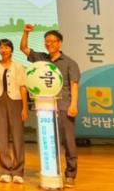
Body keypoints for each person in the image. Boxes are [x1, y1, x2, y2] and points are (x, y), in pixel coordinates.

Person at [21, 23, 80, 188]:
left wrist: (74, 104)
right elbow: (24, 48)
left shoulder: (70, 63)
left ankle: (70, 174)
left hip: (64, 106)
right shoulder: (42, 59)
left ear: (60, 43)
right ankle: (52, 172)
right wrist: (26, 33)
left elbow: (74, 85)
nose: (49, 44)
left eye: (53, 41)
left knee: (68, 141)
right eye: (47, 41)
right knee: (49, 141)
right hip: (45, 109)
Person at [0, 38, 28, 184]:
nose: (3, 50)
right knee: (2, 136)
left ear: (11, 50)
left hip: (16, 101)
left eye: (6, 47)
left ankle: (18, 171)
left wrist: (25, 107)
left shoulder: (18, 66)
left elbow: (23, 87)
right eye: (1, 47)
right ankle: (5, 170)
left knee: (17, 136)